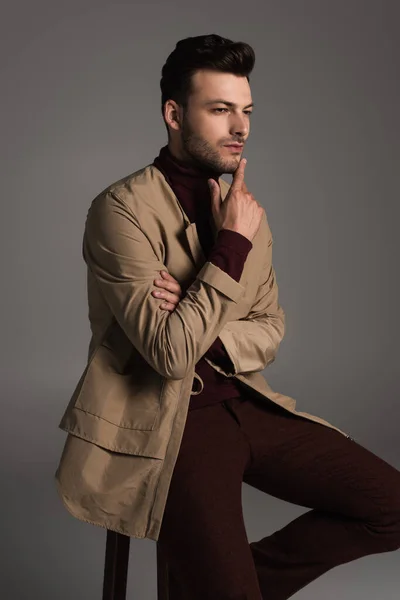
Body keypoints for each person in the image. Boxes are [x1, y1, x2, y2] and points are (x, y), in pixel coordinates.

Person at [55, 34, 400, 599]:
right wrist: (230, 247)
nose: (240, 127)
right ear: (174, 114)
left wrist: (199, 318)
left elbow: (270, 327)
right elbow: (167, 355)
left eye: (246, 111)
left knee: (390, 506)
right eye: (220, 110)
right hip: (169, 421)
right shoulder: (119, 211)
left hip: (243, 398)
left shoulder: (244, 211)